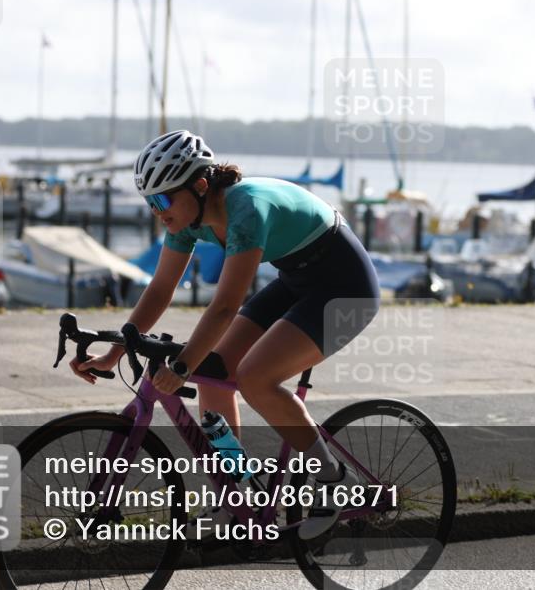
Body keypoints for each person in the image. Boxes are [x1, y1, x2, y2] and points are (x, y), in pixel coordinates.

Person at [70, 129, 380, 540]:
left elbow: (224, 307)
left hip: (346, 289)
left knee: (255, 377)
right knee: (212, 373)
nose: (157, 211)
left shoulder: (246, 209)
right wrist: (115, 352)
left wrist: (182, 366)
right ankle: (236, 496)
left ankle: (333, 479)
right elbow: (160, 290)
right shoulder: (185, 219)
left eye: (162, 200)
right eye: (150, 202)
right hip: (298, 278)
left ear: (200, 186)